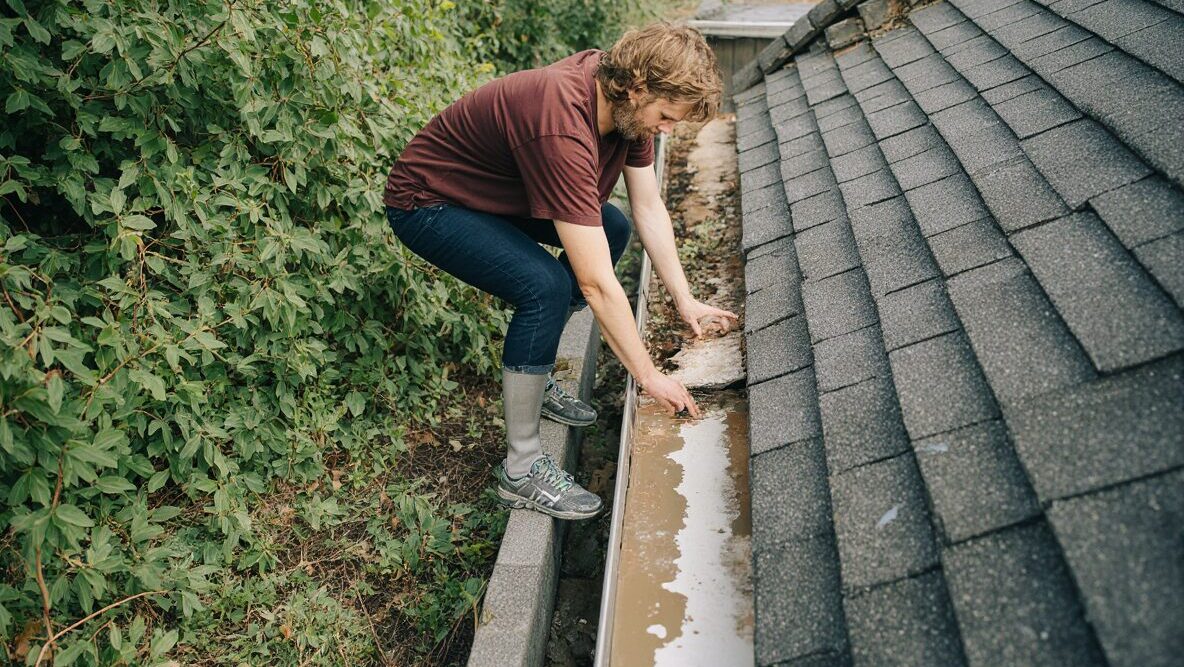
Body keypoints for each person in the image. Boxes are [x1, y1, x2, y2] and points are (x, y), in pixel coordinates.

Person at [383, 23, 737, 520]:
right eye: (665, 117)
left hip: (494, 190)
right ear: (637, 89)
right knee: (544, 287)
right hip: (428, 200)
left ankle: (537, 370)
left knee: (611, 227)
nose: (666, 129)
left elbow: (648, 207)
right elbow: (593, 284)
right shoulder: (562, 124)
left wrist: (685, 299)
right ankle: (522, 470)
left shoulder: (626, 108)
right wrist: (648, 375)